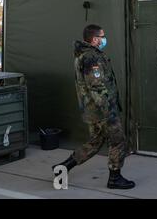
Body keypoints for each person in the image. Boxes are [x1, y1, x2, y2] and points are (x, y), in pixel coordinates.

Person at [53, 24, 135, 189]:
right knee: (118, 141)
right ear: (95, 39)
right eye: (102, 36)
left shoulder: (86, 55)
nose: (104, 39)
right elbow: (95, 86)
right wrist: (108, 111)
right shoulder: (91, 57)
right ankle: (114, 178)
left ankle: (62, 167)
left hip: (94, 110)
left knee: (95, 143)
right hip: (102, 110)